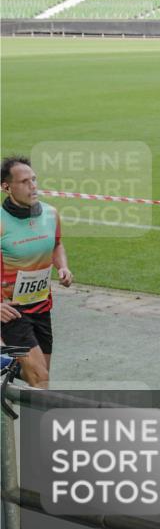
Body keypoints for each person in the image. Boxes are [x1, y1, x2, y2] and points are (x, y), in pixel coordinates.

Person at [1, 155, 73, 389]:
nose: (33, 186)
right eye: (24, 181)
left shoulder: (51, 214)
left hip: (42, 307)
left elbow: (57, 245)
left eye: (34, 179)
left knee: (37, 375)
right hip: (10, 313)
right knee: (40, 378)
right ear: (6, 187)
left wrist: (62, 266)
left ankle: (6, 363)